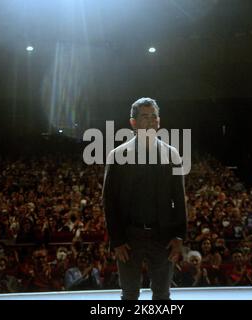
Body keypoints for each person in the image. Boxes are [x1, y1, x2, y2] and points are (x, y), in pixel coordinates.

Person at [102, 97, 187, 300]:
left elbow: (180, 199)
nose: (150, 121)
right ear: (133, 122)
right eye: (144, 117)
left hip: (163, 236)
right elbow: (109, 201)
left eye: (154, 117)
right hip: (129, 237)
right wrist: (117, 240)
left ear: (159, 121)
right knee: (130, 294)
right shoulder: (118, 155)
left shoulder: (172, 154)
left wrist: (179, 236)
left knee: (162, 294)